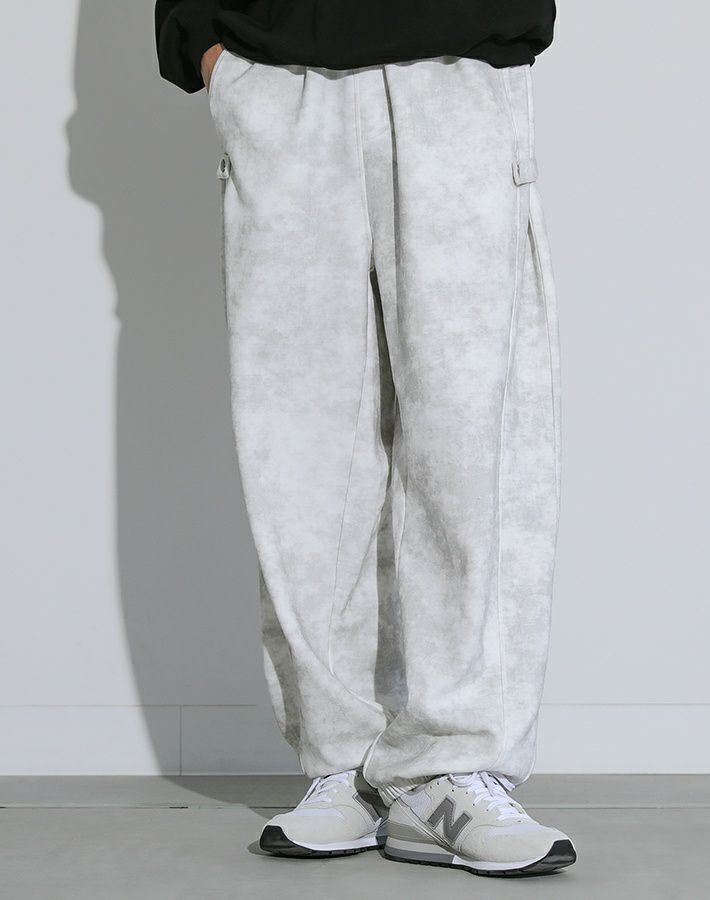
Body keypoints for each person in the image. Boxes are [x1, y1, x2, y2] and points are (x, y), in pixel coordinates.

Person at [155, 0, 575, 878]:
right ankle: (340, 763)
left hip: (458, 69)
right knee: (303, 450)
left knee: (468, 443)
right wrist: (210, 50)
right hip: (280, 78)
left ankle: (454, 767)